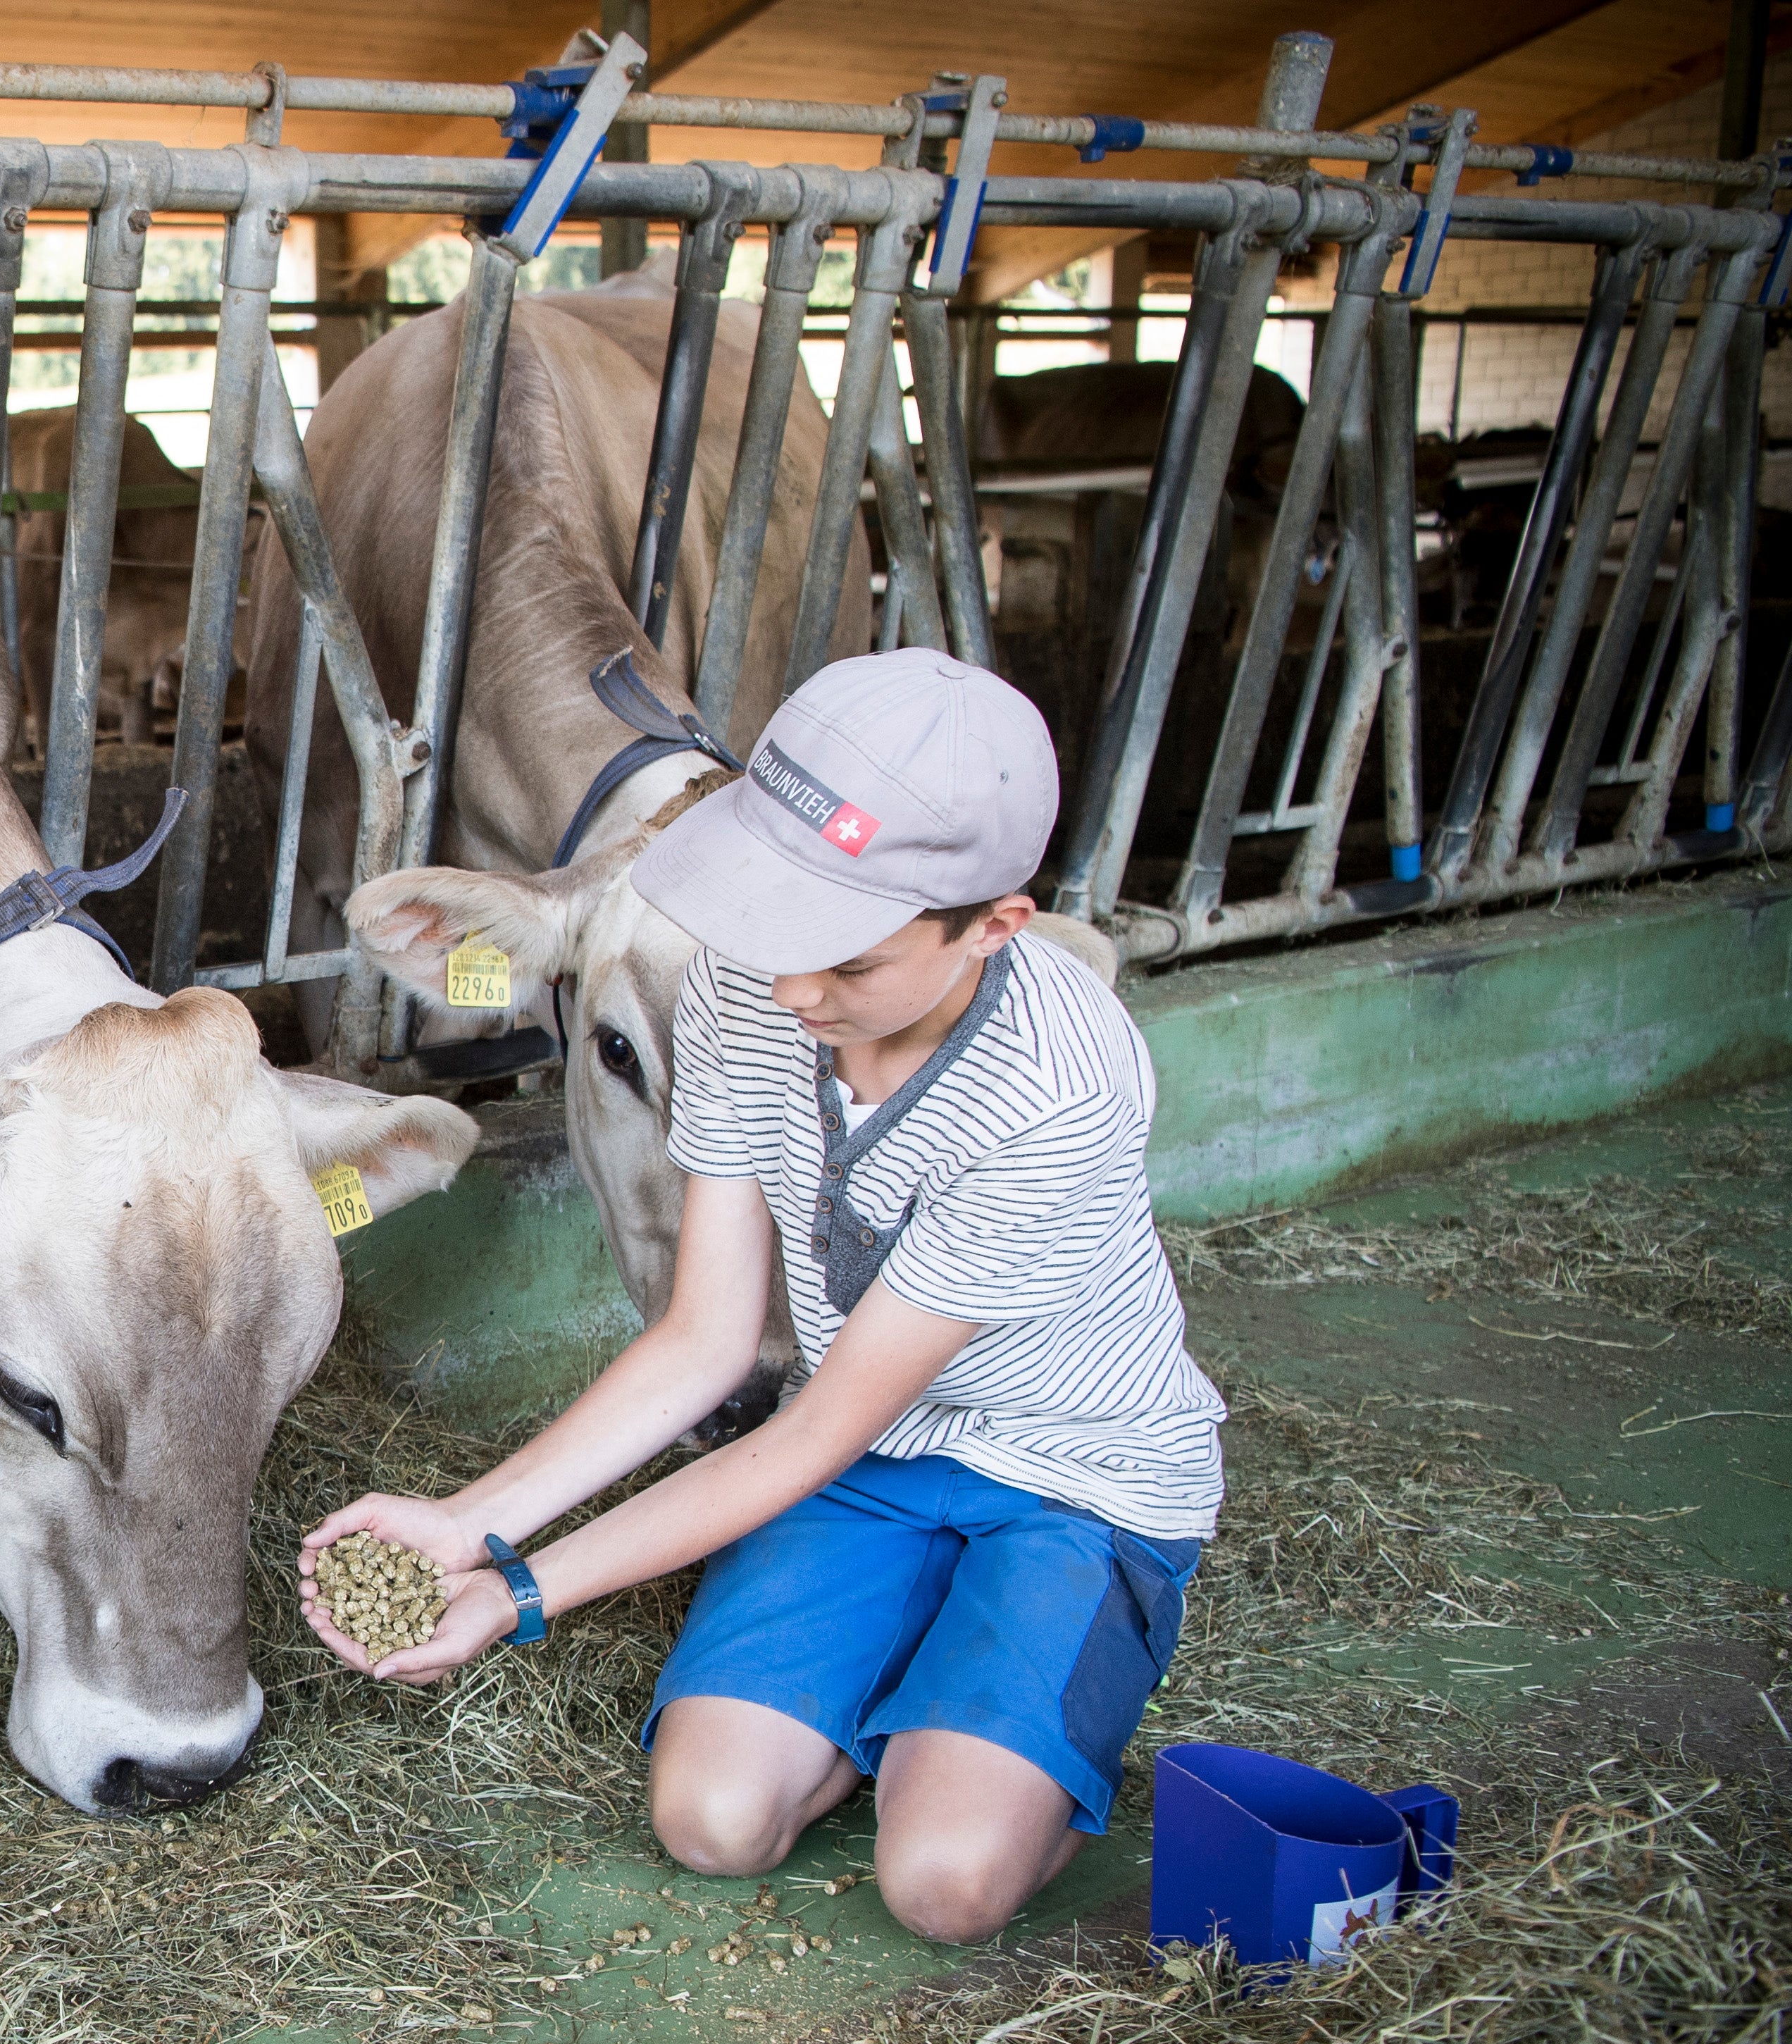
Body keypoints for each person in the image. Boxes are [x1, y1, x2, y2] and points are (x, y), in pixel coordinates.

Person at [299, 648, 1221, 1946]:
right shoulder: (750, 977)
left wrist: (519, 1597)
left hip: (1074, 1474)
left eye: (849, 957)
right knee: (712, 1823)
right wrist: (469, 1523)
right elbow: (705, 1337)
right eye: (779, 924)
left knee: (943, 1886)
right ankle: (926, 1688)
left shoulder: (1058, 1091)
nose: (796, 992)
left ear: (994, 927)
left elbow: (804, 1433)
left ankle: (974, 1702)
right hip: (868, 1459)